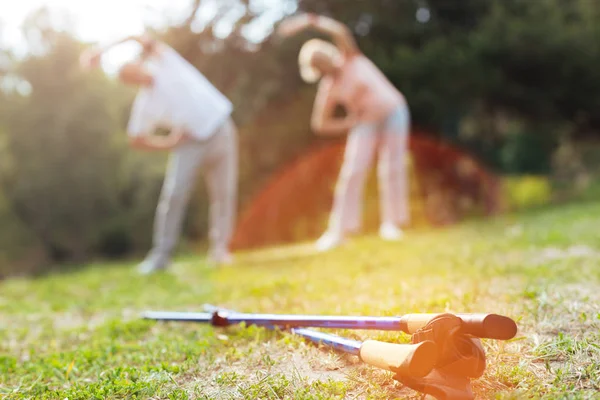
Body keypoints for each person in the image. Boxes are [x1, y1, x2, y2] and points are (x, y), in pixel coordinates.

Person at [80, 34, 238, 273]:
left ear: (138, 64)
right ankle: (161, 256)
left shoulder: (165, 62)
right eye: (127, 77)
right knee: (174, 195)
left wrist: (101, 49)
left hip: (221, 127)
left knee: (224, 193)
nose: (134, 75)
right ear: (128, 83)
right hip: (189, 142)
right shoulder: (144, 104)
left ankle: (220, 251)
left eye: (131, 69)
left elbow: (138, 37)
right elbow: (136, 140)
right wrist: (170, 142)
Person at [277, 14, 412, 252]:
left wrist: (309, 22)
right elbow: (319, 124)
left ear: (328, 54)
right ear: (314, 70)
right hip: (364, 121)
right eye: (317, 66)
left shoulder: (349, 57)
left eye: (322, 60)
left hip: (393, 111)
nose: (322, 67)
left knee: (392, 167)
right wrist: (349, 123)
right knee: (352, 171)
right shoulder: (329, 87)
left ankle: (392, 224)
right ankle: (339, 230)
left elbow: (339, 30)